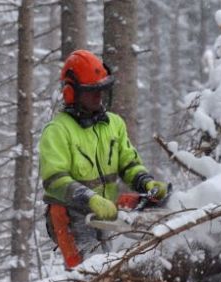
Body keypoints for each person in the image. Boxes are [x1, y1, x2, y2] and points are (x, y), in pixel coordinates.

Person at [39, 49, 167, 270]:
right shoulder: (57, 130)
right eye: (92, 92)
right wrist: (89, 199)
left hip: (105, 211)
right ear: (72, 94)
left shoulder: (114, 124)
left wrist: (146, 182)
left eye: (102, 91)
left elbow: (128, 163)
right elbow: (54, 180)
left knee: (113, 266)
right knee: (90, 273)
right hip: (71, 214)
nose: (99, 98)